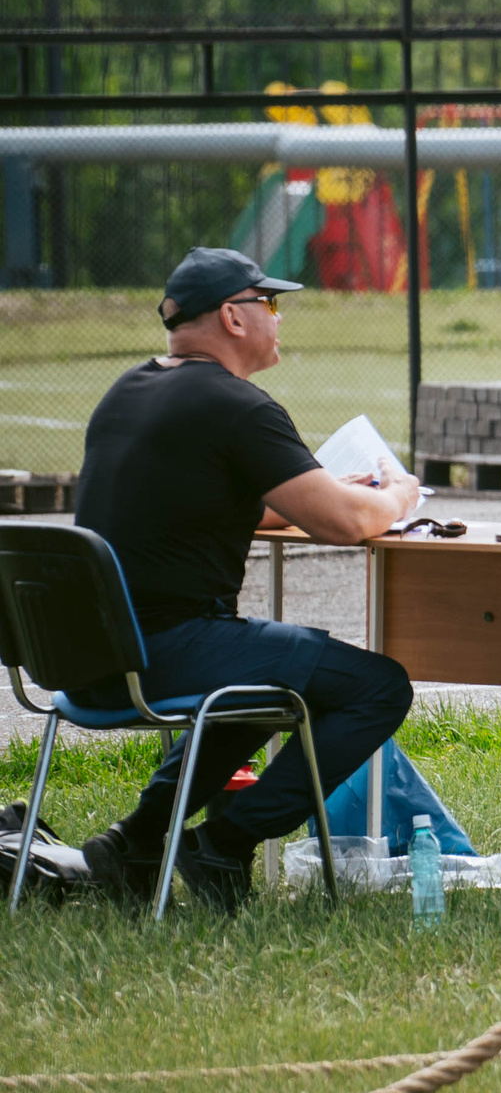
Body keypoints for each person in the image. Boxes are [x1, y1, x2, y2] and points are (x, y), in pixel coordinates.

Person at [69, 247, 422, 913]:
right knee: (378, 686)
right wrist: (397, 492)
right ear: (234, 316)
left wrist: (310, 492)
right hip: (166, 650)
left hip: (90, 658)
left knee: (268, 673)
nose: (279, 318)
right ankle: (226, 841)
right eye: (271, 303)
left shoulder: (130, 389)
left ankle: (136, 841)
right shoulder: (235, 404)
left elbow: (199, 496)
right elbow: (348, 524)